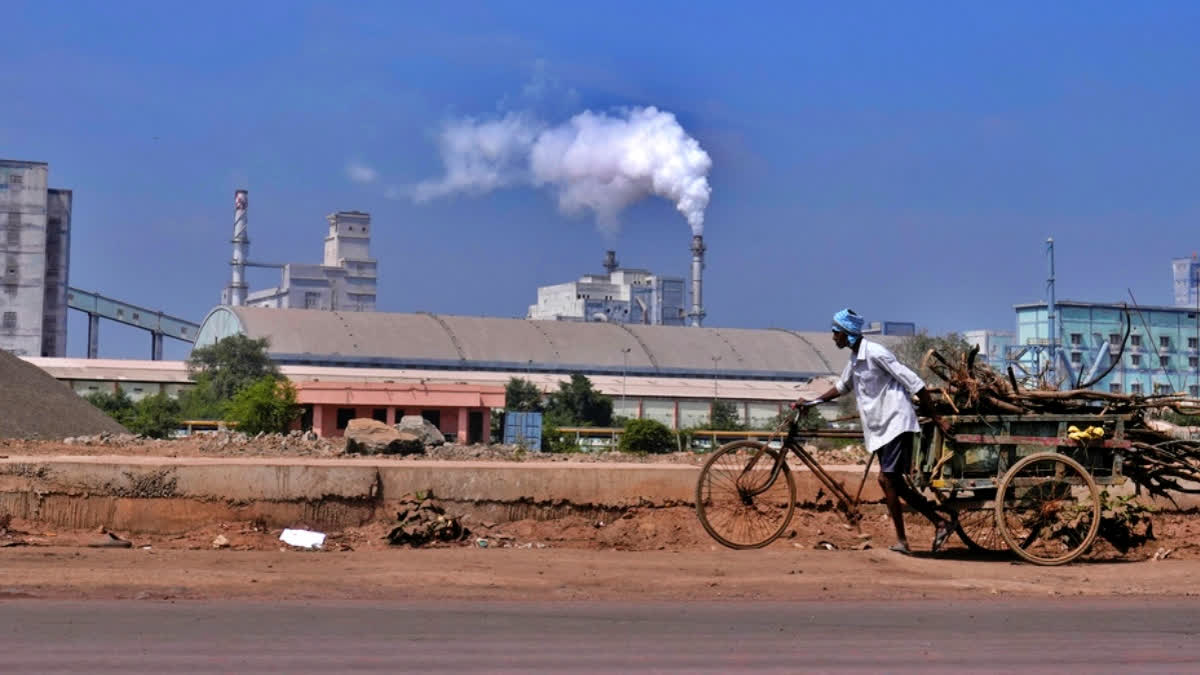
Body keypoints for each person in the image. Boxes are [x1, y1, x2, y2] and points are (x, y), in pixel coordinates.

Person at [793, 308, 954, 555]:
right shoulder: (855, 359)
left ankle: (903, 541)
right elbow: (841, 387)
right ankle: (940, 522)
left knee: (886, 480)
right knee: (895, 484)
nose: (833, 337)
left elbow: (915, 383)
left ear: (848, 334)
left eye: (836, 332)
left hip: (895, 422)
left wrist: (937, 418)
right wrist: (812, 403)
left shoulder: (877, 353)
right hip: (880, 428)